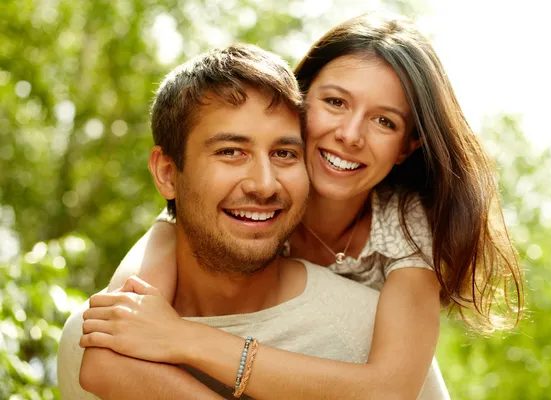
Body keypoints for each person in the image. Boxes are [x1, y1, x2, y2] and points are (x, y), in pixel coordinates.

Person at [75, 10, 524, 399]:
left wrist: (185, 339)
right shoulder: (237, 197)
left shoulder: (407, 226)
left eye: (384, 121)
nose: (350, 134)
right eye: (334, 102)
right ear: (297, 101)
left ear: (406, 147)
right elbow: (104, 356)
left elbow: (389, 391)